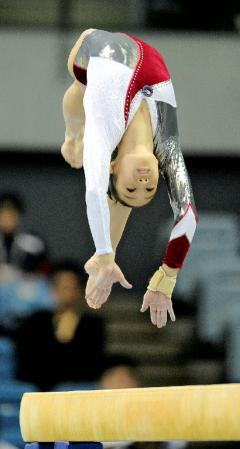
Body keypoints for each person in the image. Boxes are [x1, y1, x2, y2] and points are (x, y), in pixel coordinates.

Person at [61, 29, 197, 328]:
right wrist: (168, 275)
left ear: (114, 167)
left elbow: (96, 191)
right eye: (149, 188)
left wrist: (104, 254)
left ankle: (71, 137)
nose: (144, 179)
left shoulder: (105, 130)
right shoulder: (167, 146)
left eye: (132, 185)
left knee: (79, 80)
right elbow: (188, 217)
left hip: (91, 47)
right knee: (122, 202)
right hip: (139, 56)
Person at [14, 261, 105, 391]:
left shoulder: (92, 325)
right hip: (39, 386)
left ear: (80, 290)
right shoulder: (36, 321)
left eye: (71, 287)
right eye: (62, 287)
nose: (66, 292)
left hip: (75, 387)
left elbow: (92, 363)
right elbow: (27, 358)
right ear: (53, 289)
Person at [0, 192, 47, 274]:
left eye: (12, 214)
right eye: (3, 214)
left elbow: (43, 271)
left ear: (19, 216)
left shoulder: (33, 243)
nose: (7, 218)